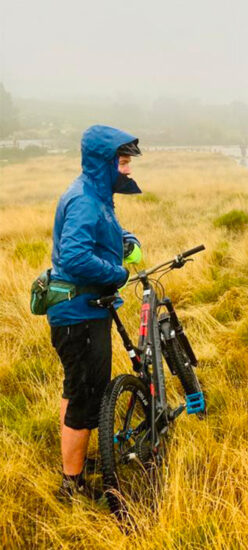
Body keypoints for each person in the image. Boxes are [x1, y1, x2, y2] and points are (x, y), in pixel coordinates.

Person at [49, 125, 143, 501]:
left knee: (76, 389)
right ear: (104, 162)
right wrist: (118, 273)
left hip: (81, 313)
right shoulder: (87, 199)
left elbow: (98, 235)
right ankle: (71, 486)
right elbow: (74, 255)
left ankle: (73, 462)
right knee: (86, 395)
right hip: (80, 315)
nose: (129, 170)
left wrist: (125, 240)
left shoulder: (95, 194)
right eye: (123, 162)